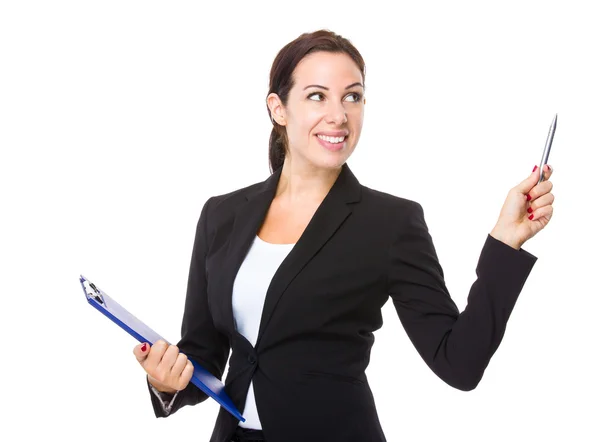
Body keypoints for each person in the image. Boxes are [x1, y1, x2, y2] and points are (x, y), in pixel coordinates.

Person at [132, 29, 554, 442]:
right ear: (278, 108)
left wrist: (505, 242)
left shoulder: (391, 223)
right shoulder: (221, 215)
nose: (339, 115)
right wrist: (166, 383)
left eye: (352, 96)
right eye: (317, 95)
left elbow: (459, 363)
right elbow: (203, 356)